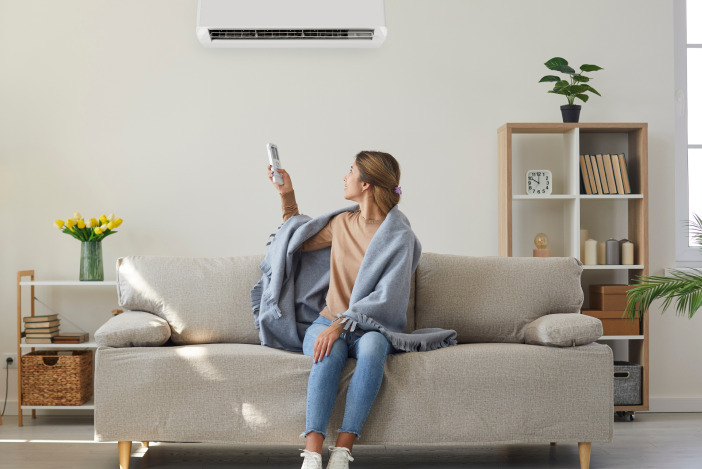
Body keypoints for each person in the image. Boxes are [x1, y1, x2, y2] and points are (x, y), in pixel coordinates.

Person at [266, 151, 410, 469]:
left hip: (373, 327)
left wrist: (344, 323)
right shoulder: (342, 223)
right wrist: (287, 195)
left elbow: (388, 297)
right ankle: (313, 451)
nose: (345, 177)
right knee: (330, 349)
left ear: (367, 184)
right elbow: (294, 240)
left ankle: (343, 449)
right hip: (327, 321)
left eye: (350, 171)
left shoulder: (399, 236)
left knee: (373, 347)